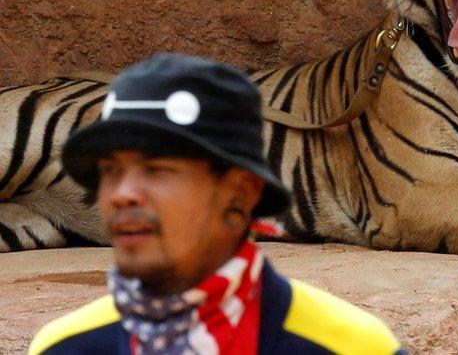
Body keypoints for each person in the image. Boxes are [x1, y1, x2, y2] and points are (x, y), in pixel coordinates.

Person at [30, 53, 405, 355]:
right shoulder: (63, 346)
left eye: (157, 169)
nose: (122, 194)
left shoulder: (354, 347)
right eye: (110, 170)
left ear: (241, 192)